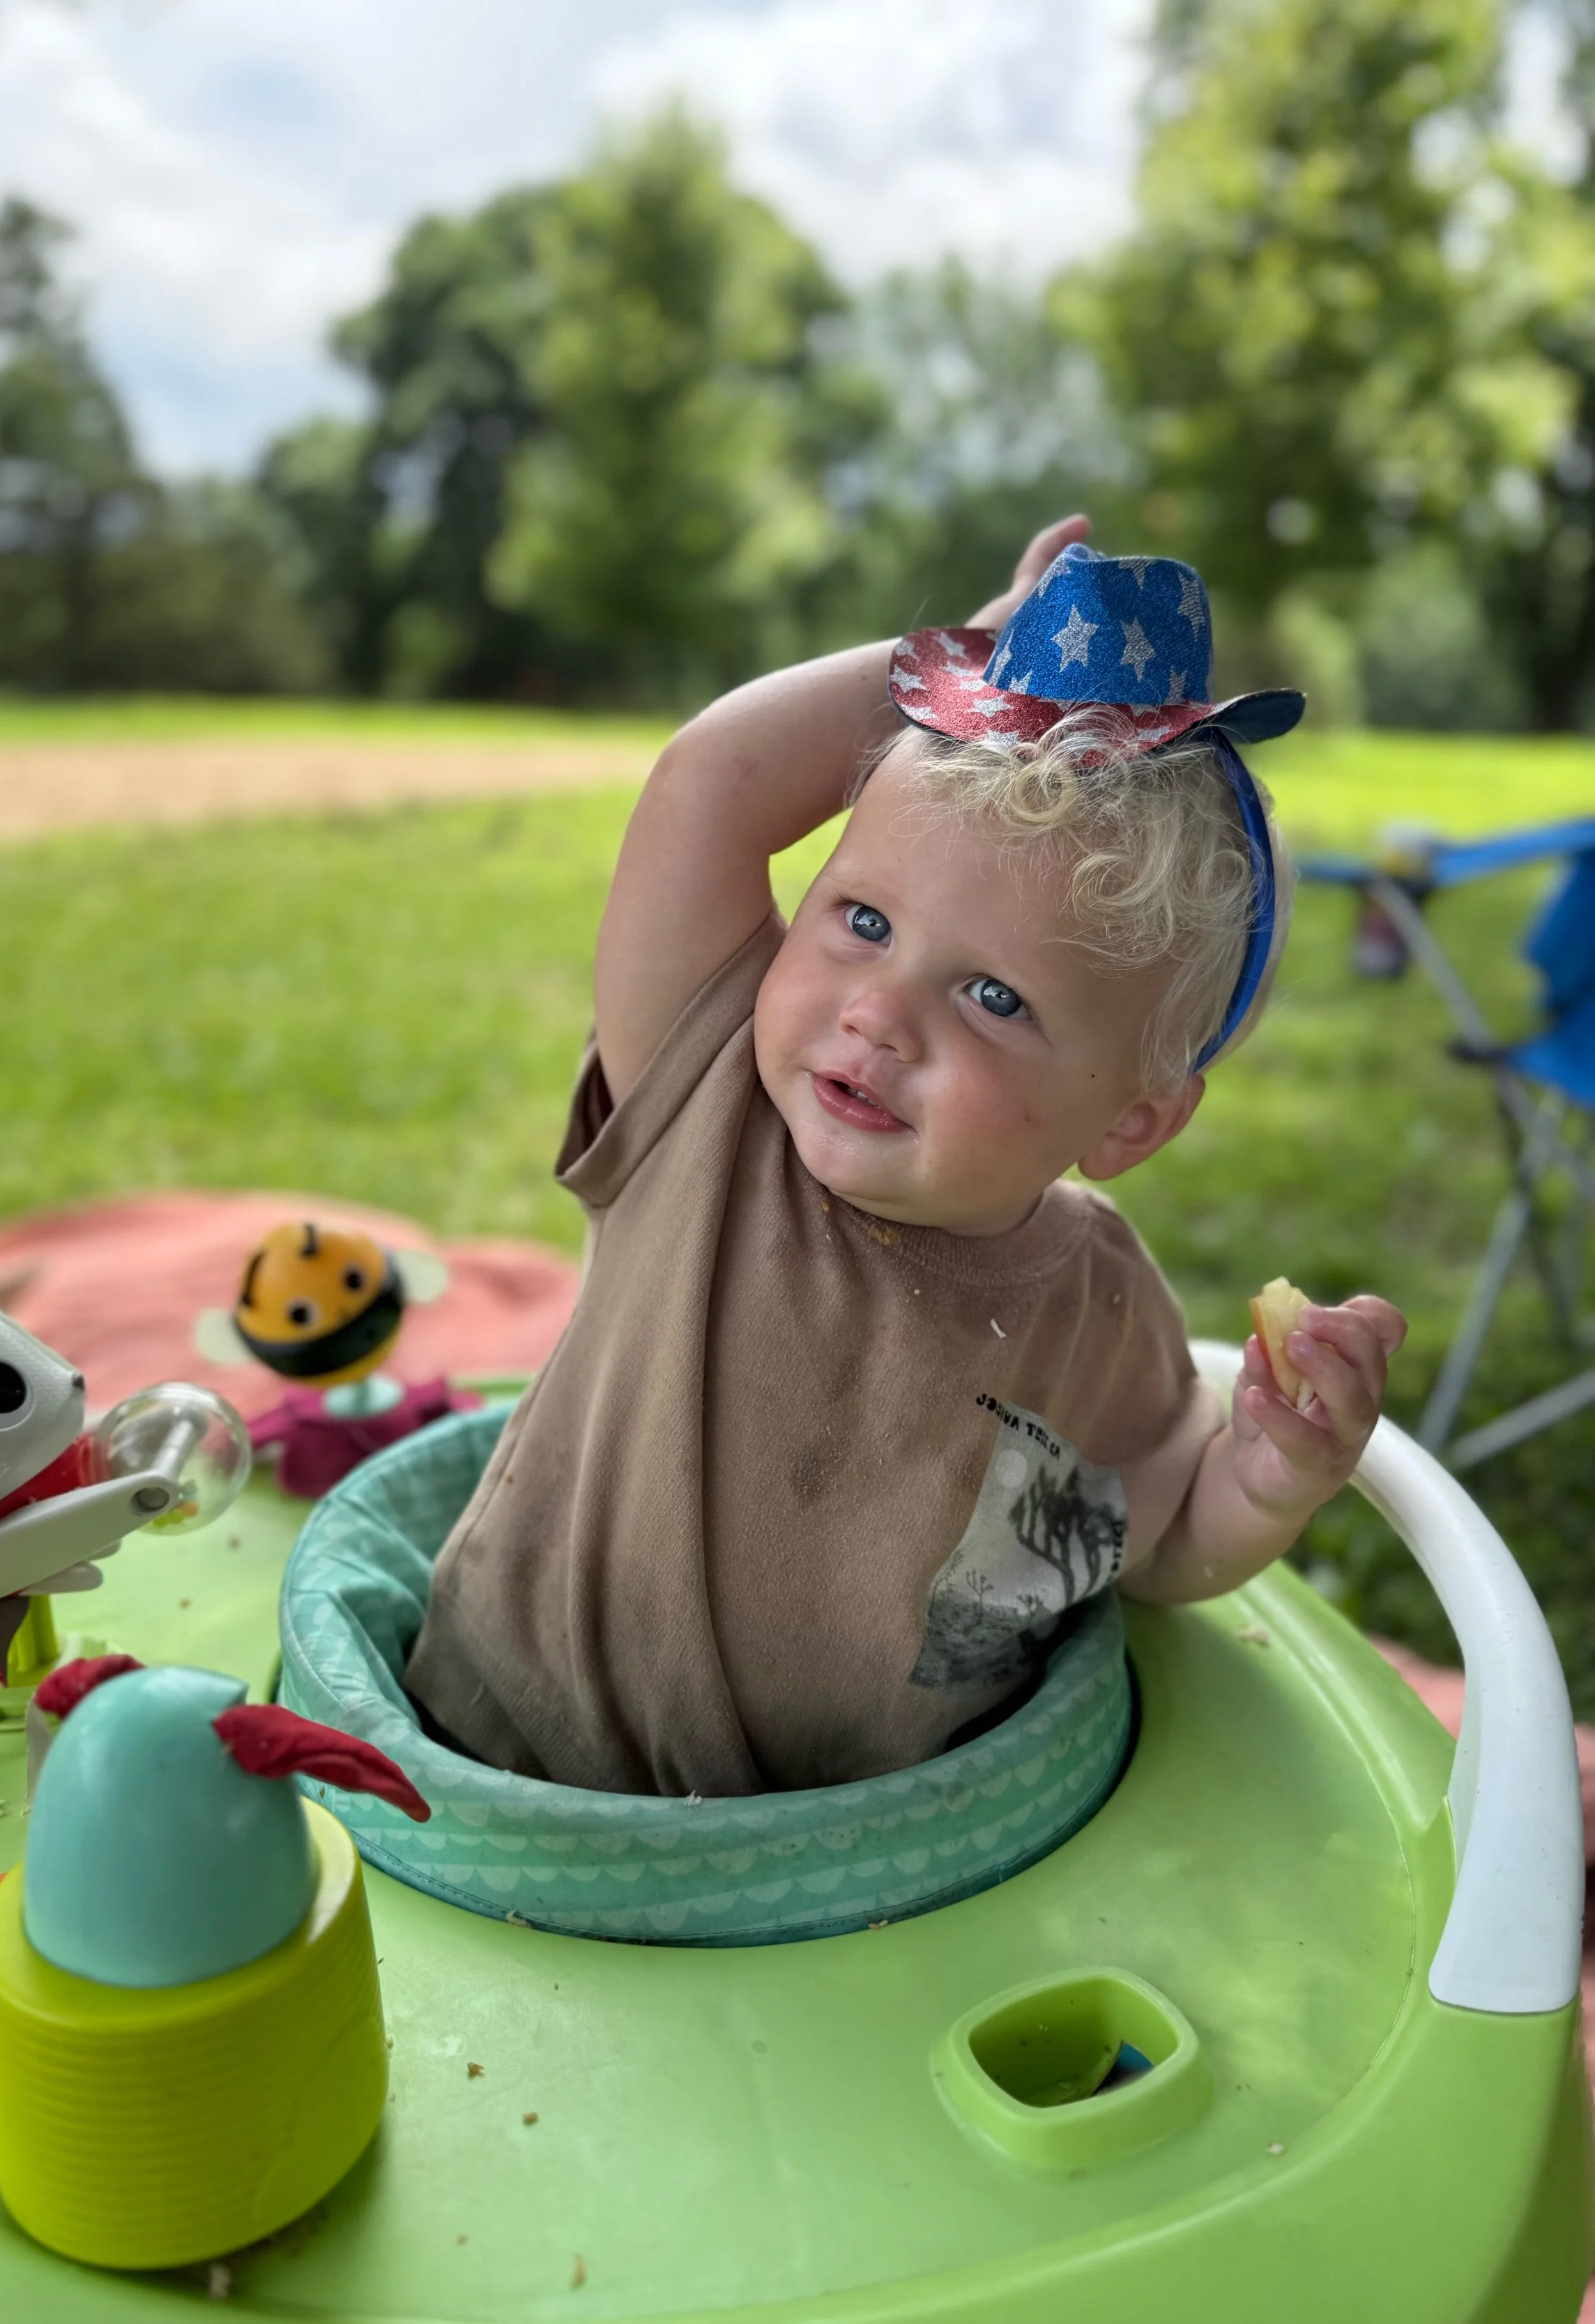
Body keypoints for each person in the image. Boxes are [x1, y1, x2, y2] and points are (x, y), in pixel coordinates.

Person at [401, 517, 1406, 1798]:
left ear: (1131, 1122)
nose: (877, 1012)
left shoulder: (1095, 1306)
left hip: (857, 1883)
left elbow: (1152, 1545)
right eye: (862, 920)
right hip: (494, 1769)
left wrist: (1268, 1480)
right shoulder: (705, 1095)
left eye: (994, 999)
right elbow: (710, 780)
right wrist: (978, 663)